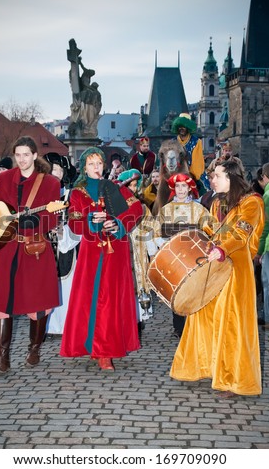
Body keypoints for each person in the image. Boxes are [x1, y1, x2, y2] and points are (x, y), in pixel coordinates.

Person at [170, 159, 265, 397]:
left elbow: (241, 233)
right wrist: (197, 239)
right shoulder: (217, 203)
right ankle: (207, 366)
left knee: (233, 324)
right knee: (205, 315)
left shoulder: (252, 202)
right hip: (214, 267)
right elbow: (213, 230)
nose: (211, 180)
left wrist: (222, 249)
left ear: (231, 177)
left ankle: (234, 378)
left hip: (237, 269)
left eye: (217, 176)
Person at [0, 136, 61, 374]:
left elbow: (53, 217)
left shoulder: (49, 183)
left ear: (35, 155)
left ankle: (34, 349)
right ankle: (2, 358)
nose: (22, 159)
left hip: (35, 249)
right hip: (7, 250)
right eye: (18, 155)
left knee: (39, 305)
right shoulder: (5, 178)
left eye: (27, 154)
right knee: (2, 304)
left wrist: (35, 219)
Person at [60, 147, 143, 371]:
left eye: (99, 163)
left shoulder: (115, 188)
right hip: (92, 254)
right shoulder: (77, 193)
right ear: (84, 167)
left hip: (115, 252)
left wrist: (117, 222)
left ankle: (105, 350)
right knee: (93, 298)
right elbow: (74, 223)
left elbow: (137, 209)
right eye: (91, 164)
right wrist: (92, 221)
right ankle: (92, 345)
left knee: (110, 299)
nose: (96, 168)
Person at [153, 173, 211, 338]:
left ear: (190, 188)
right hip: (174, 256)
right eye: (177, 186)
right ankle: (178, 326)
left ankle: (194, 323)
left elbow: (209, 228)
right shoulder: (166, 209)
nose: (180, 189)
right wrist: (163, 243)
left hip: (194, 256)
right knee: (176, 289)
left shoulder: (199, 209)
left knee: (193, 289)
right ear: (173, 188)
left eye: (184, 186)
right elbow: (157, 231)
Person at [43, 152, 81, 337]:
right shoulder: (41, 195)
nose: (55, 173)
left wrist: (63, 231)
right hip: (44, 246)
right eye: (51, 170)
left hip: (66, 245)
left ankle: (66, 325)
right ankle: (47, 325)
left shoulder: (71, 195)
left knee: (67, 286)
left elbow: (77, 222)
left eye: (58, 170)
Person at [117, 169, 159, 329]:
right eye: (129, 185)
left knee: (138, 283)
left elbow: (152, 228)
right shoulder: (113, 205)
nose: (133, 189)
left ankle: (137, 321)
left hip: (138, 250)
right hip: (119, 250)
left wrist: (153, 248)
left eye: (135, 185)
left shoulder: (141, 207)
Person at [171, 113, 209, 193]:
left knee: (204, 195)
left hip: (194, 176)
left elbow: (197, 164)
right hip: (175, 175)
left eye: (184, 126)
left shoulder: (196, 142)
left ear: (188, 127)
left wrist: (189, 177)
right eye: (180, 126)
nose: (182, 128)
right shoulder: (172, 142)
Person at [256, 162, 269, 330]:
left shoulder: (267, 195)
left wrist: (258, 251)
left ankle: (268, 317)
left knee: (267, 284)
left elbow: (265, 226)